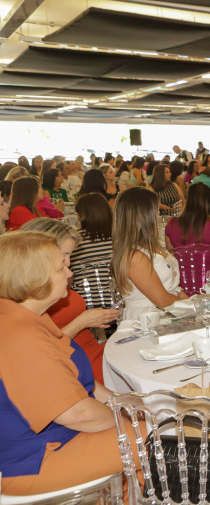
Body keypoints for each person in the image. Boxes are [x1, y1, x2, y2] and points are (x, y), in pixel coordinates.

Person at [0, 232, 134, 496]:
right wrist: (125, 417)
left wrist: (122, 401)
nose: (70, 272)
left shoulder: (28, 317)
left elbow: (77, 381)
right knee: (166, 440)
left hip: (56, 440)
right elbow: (78, 413)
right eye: (61, 267)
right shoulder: (19, 333)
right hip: (37, 458)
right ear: (34, 278)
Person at [18, 219, 119, 383]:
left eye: (70, 255)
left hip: (92, 356)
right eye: (64, 255)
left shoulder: (54, 284)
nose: (69, 264)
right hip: (75, 369)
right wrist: (82, 321)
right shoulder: (30, 298)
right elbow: (44, 350)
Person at [111, 188, 189, 323]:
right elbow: (162, 300)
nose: (158, 215)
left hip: (167, 313)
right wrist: (194, 306)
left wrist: (193, 304)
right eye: (156, 210)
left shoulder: (151, 246)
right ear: (143, 216)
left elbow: (174, 289)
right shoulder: (135, 256)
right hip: (148, 319)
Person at [69, 193, 114, 306]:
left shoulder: (73, 241)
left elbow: (68, 281)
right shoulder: (119, 238)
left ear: (81, 216)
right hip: (117, 303)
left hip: (84, 305)